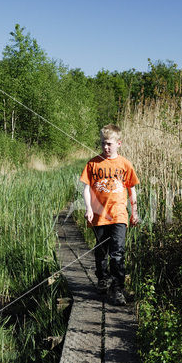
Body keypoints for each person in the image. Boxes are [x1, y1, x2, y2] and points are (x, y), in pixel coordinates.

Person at [80, 124, 140, 306]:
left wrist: (134, 211)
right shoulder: (93, 163)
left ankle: (118, 289)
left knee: (118, 252)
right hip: (99, 215)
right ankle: (102, 279)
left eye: (109, 144)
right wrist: (89, 208)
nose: (105, 147)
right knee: (101, 251)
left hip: (119, 215)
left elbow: (132, 190)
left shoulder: (124, 164)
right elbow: (86, 188)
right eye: (103, 144)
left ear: (118, 143)